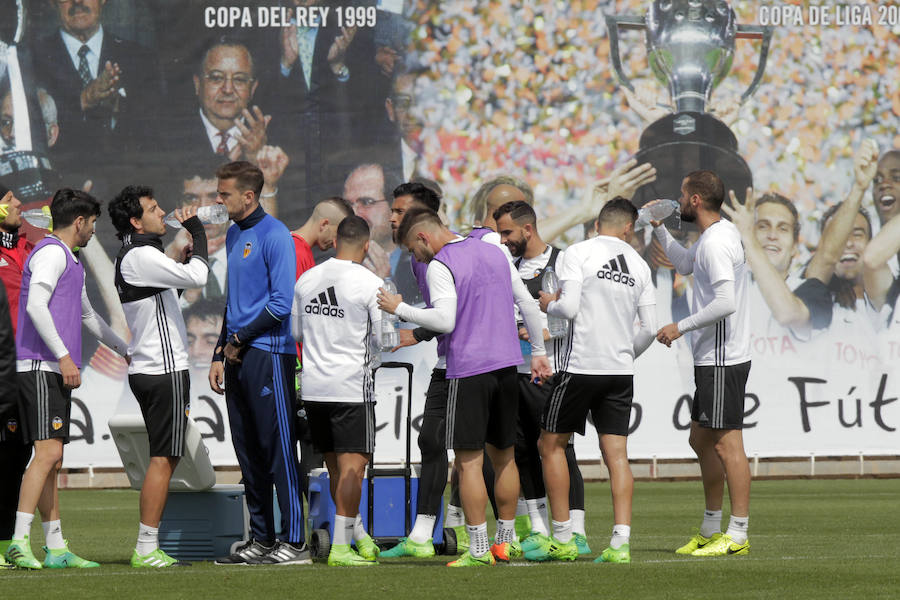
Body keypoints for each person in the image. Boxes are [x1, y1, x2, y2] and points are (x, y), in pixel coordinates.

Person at [378, 207, 552, 567]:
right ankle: (505, 541)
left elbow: (444, 319)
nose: (416, 257)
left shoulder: (442, 263)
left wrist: (401, 308)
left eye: (413, 249)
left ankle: (477, 550)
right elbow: (528, 305)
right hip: (506, 367)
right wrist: (537, 352)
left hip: (469, 370)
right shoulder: (494, 250)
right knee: (504, 458)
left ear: (423, 237)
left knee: (470, 462)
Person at [7, 188, 129, 570]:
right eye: (92, 224)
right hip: (40, 367)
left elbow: (89, 318)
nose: (93, 231)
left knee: (52, 461)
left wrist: (126, 350)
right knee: (48, 454)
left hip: (54, 369)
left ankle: (56, 547)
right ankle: (18, 542)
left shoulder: (69, 260)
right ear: (79, 222)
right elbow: (34, 306)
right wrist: (63, 356)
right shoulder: (49, 253)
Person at [528, 198, 656, 564]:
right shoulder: (640, 266)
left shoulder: (577, 252)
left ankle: (565, 537)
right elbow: (648, 328)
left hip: (580, 367)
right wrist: (624, 354)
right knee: (617, 456)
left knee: (550, 445)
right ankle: (620, 542)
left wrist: (547, 303)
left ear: (597, 223)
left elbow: (567, 309)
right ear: (629, 227)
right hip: (619, 371)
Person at [207, 162, 308, 565]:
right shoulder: (234, 233)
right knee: (248, 451)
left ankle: (296, 541)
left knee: (279, 451)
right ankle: (262, 540)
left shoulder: (275, 234)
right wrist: (220, 351)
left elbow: (281, 303)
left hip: (269, 353)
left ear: (249, 196)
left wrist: (238, 341)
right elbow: (234, 303)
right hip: (236, 354)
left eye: (224, 193)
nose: (219, 200)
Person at [108, 185, 210, 568]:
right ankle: (146, 547)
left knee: (165, 456)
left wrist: (184, 262)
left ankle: (148, 545)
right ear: (136, 221)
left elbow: (173, 296)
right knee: (163, 459)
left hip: (156, 367)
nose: (162, 212)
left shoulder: (138, 256)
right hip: (162, 369)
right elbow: (198, 277)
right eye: (154, 208)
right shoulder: (141, 254)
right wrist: (198, 233)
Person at [653, 171, 753, 557]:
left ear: (695, 199)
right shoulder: (714, 237)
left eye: (682, 194)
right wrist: (659, 229)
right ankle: (713, 528)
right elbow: (683, 265)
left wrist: (680, 326)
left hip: (723, 359)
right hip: (712, 357)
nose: (679, 200)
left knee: (729, 446)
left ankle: (738, 535)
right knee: (700, 439)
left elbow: (726, 303)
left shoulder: (716, 243)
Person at [493, 199, 593, 555]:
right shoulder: (510, 266)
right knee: (521, 449)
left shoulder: (562, 261)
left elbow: (577, 315)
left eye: (508, 232)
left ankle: (575, 532)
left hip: (552, 371)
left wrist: (546, 334)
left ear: (528, 229)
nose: (503, 240)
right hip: (514, 372)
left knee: (559, 449)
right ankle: (538, 527)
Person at [291, 215, 382, 566]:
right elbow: (380, 340)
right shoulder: (371, 283)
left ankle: (357, 536)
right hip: (350, 388)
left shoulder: (307, 278)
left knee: (336, 470)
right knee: (353, 470)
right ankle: (342, 548)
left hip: (314, 389)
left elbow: (297, 335)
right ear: (366, 245)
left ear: (337, 239)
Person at [378, 182, 448, 559]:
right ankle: (423, 534)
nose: (392, 217)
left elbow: (451, 313)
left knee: (491, 451)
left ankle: (513, 530)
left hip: (481, 364)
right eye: (392, 210)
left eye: (400, 211)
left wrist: (414, 329)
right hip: (448, 360)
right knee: (434, 443)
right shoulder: (416, 258)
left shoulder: (443, 255)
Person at [31, 0, 162, 174]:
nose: (77, 2)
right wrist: (83, 100)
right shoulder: (32, 60)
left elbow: (156, 136)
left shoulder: (139, 58)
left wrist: (117, 107)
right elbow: (28, 129)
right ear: (52, 3)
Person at [722, 190, 832, 338]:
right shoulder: (726, 287)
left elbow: (788, 315)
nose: (772, 235)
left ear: (794, 247)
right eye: (763, 226)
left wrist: (748, 237)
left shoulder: (814, 291)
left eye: (783, 228)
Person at [342, 163, 403, 279]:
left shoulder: (420, 262)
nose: (354, 213)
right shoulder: (333, 271)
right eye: (348, 205)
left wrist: (385, 284)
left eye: (367, 202)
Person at [290, 197, 354, 275]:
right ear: (324, 225)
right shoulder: (297, 253)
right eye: (336, 235)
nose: (335, 244)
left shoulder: (296, 249)